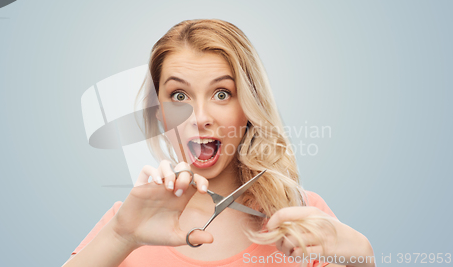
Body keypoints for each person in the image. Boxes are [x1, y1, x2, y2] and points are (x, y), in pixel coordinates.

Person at [62, 19, 375, 267]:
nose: (199, 117)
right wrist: (121, 236)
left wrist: (362, 255)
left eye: (222, 94)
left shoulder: (302, 215)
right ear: (160, 115)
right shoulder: (130, 219)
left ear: (249, 109)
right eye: (179, 96)